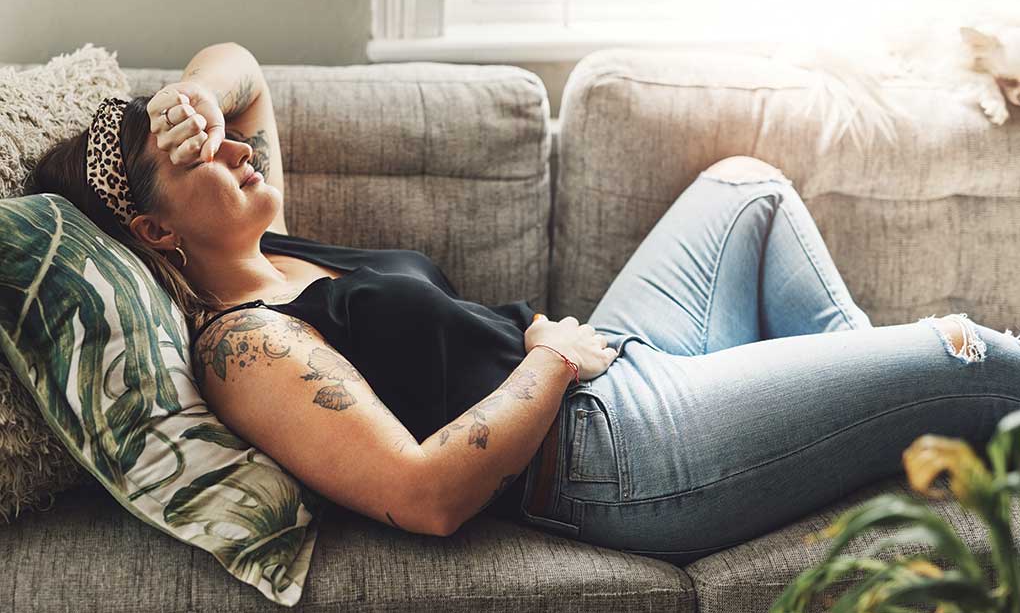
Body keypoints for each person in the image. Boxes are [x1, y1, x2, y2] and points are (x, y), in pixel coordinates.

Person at [28, 42, 1020, 566]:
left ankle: (878, 434)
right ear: (159, 234)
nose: (239, 149)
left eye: (225, 137)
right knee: (962, 348)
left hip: (611, 362)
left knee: (746, 188)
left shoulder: (265, 245)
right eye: (203, 158)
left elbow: (238, 65)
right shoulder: (244, 348)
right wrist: (551, 358)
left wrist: (192, 99)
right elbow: (424, 496)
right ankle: (905, 413)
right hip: (610, 454)